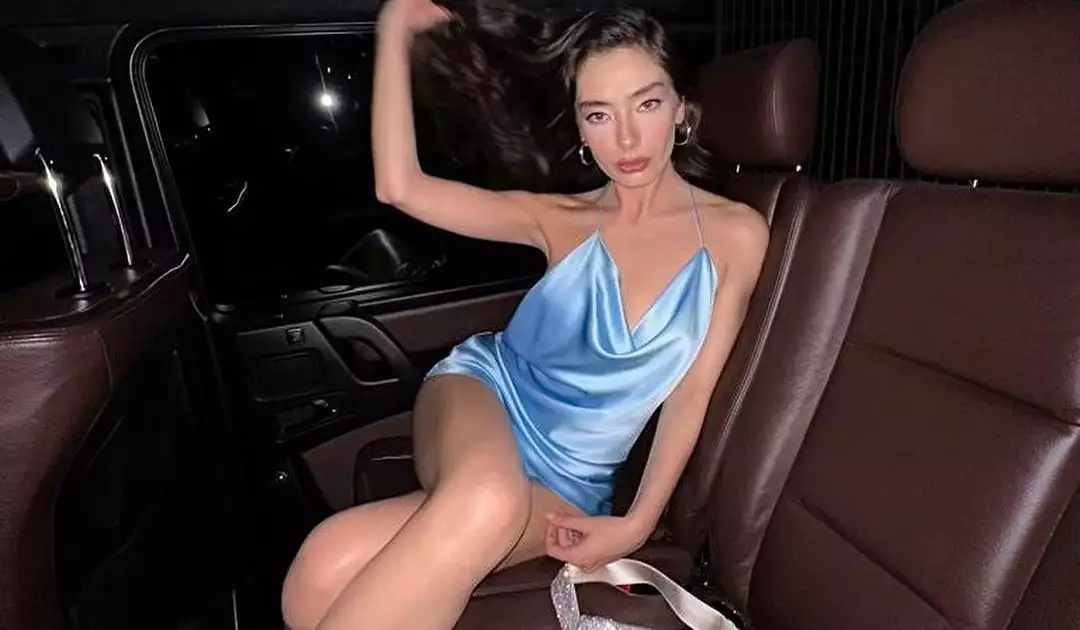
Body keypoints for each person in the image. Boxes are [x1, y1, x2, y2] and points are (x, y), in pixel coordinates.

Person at [280, 1, 769, 629]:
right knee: (487, 494)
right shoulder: (558, 219)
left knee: (322, 568)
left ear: (681, 110)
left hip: (568, 482)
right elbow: (399, 187)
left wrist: (636, 522)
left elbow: (692, 390)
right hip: (482, 395)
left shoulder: (736, 235)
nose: (626, 139)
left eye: (646, 104)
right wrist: (395, 25)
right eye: (599, 114)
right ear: (581, 129)